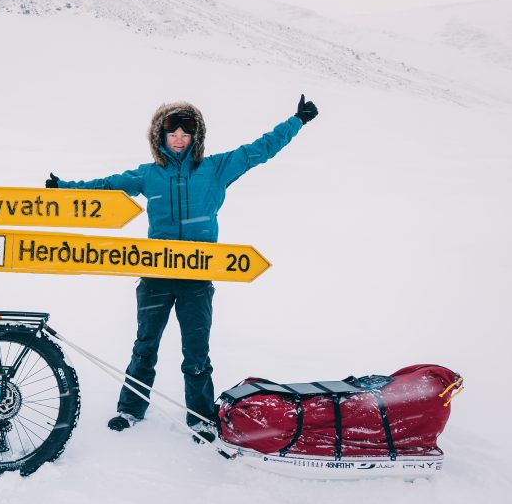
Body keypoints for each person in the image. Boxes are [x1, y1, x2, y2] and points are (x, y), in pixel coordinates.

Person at [45, 96, 318, 442]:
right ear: (160, 136)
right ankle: (130, 409)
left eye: (185, 133)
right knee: (144, 347)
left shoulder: (215, 168)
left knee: (196, 354)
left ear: (195, 137)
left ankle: (200, 418)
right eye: (171, 133)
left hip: (196, 279)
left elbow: (260, 149)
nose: (178, 139)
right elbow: (106, 186)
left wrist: (297, 121)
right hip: (156, 276)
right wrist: (64, 189)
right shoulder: (150, 174)